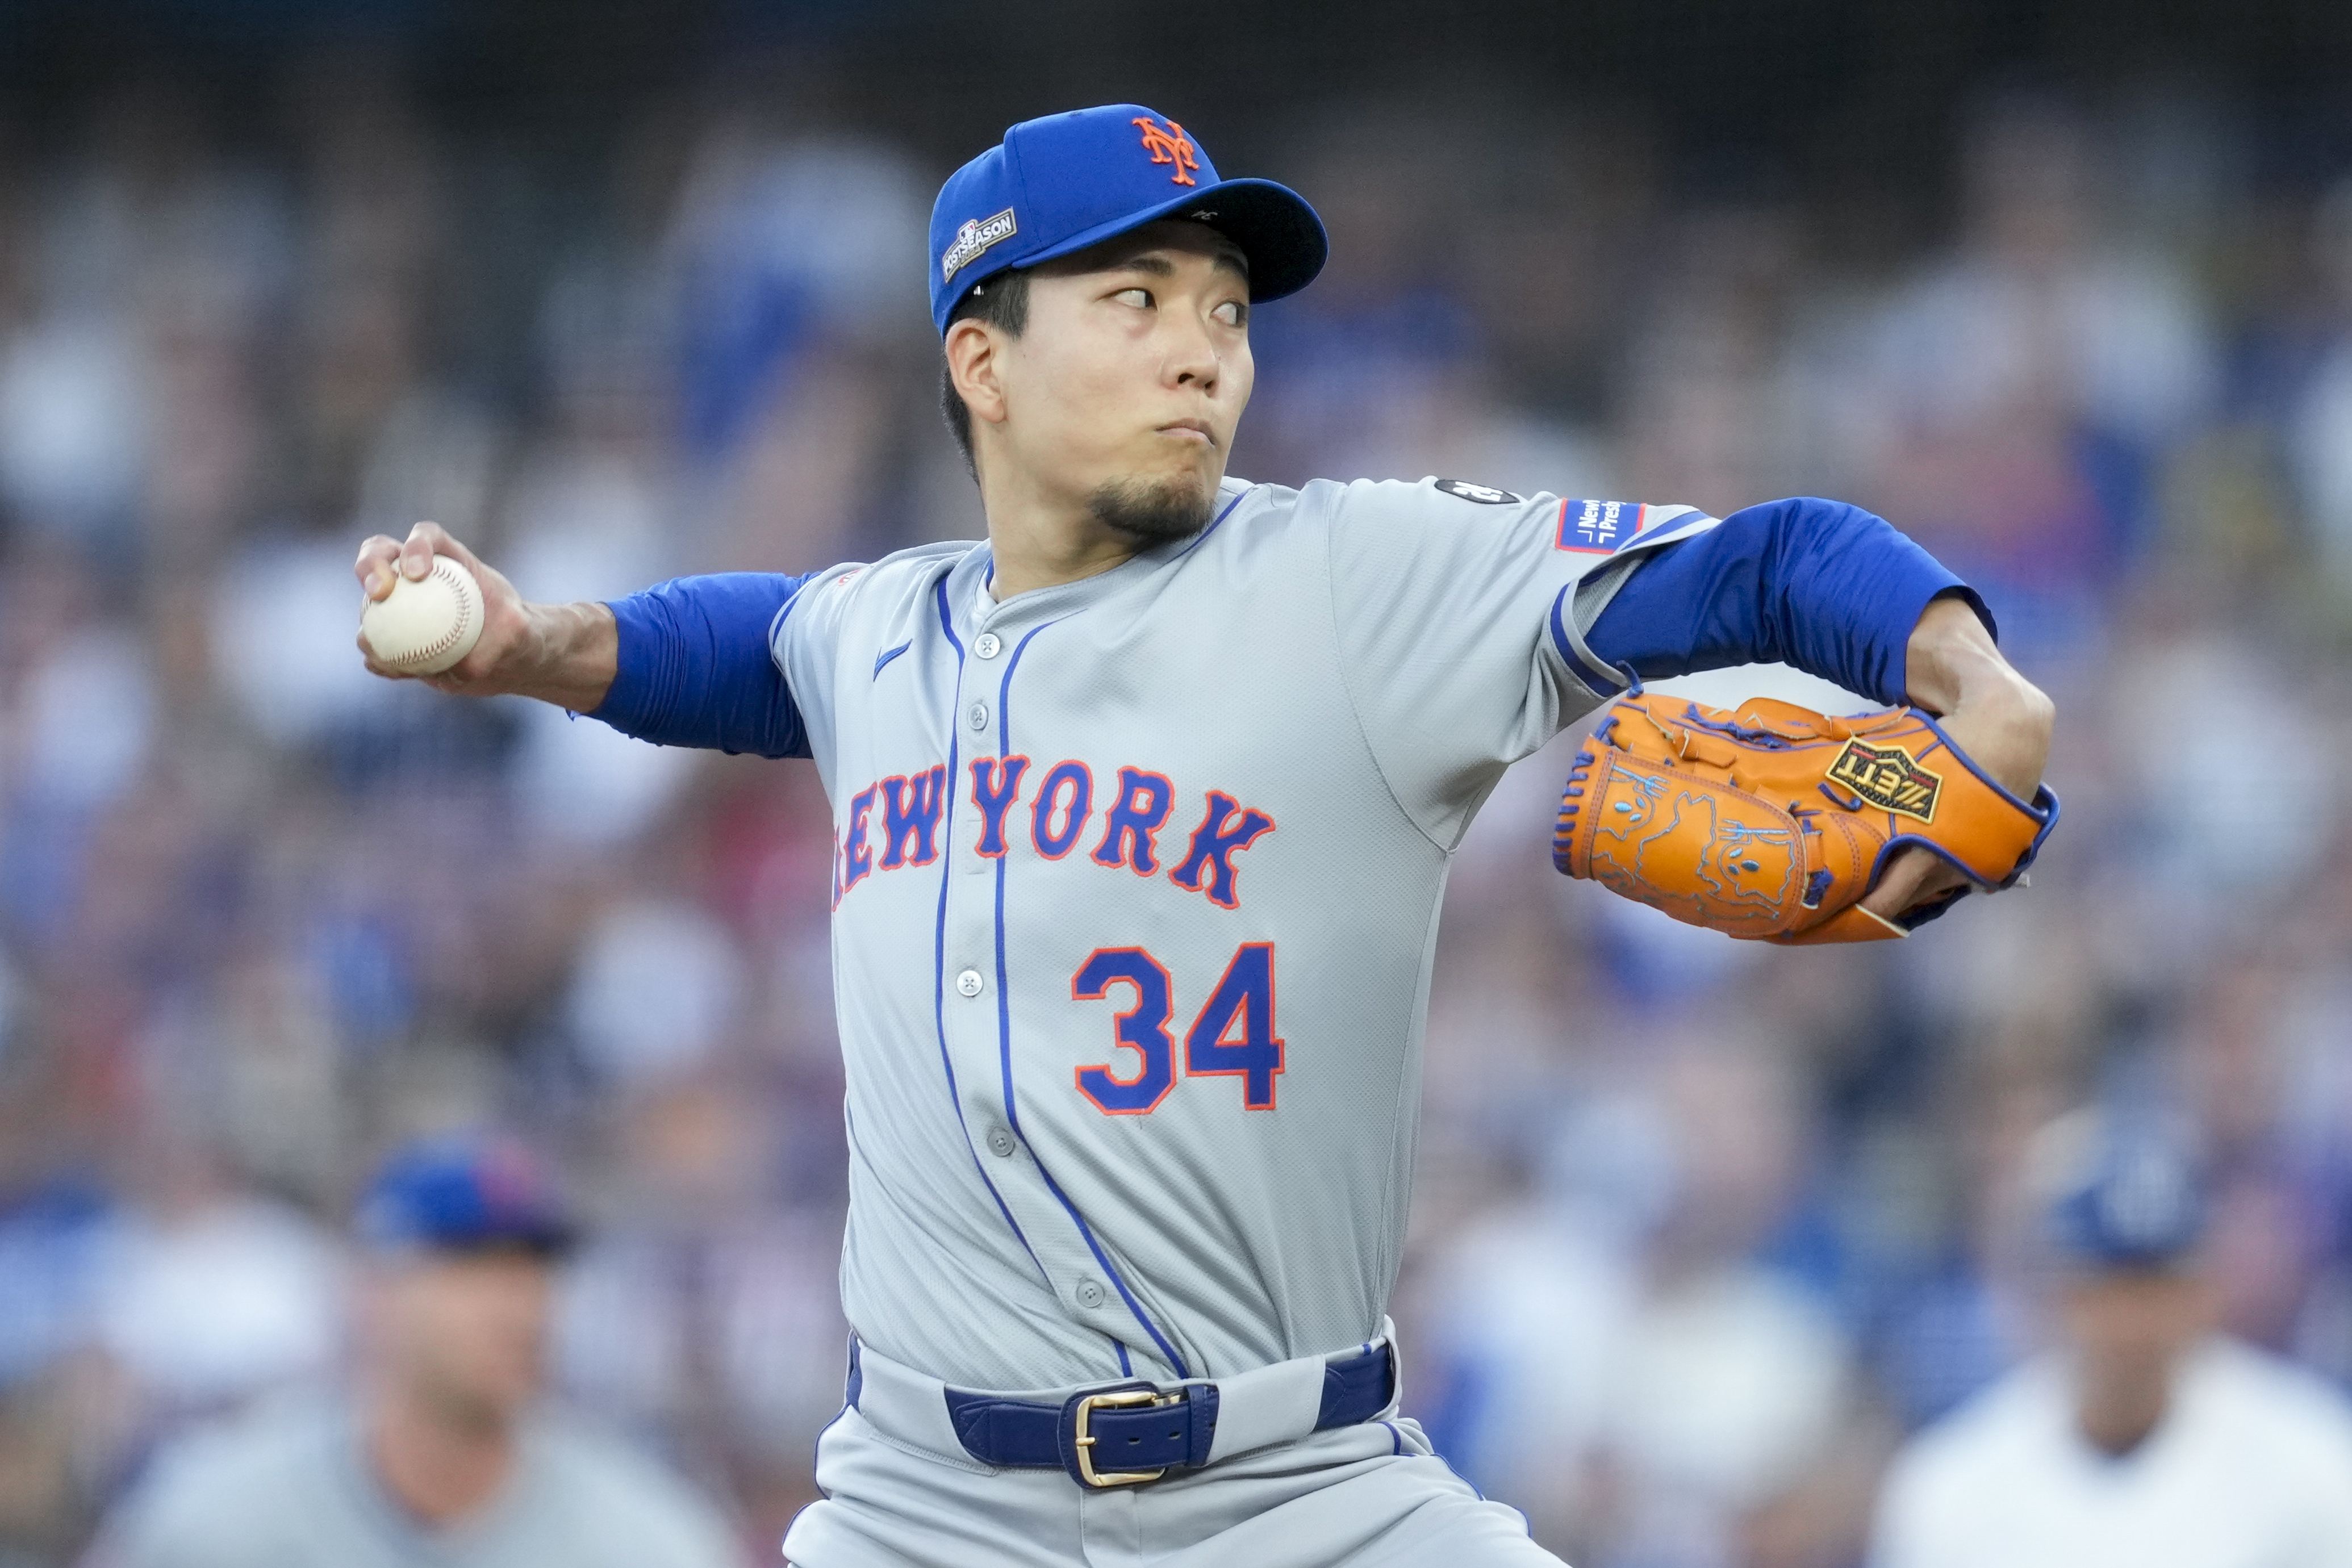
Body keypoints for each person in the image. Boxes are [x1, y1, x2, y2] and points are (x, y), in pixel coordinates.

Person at [353, 104, 2054, 1566]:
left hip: (1301, 1491)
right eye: (1135, 297)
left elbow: (1755, 563)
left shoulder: (1360, 579)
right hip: (929, 1506)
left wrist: (1961, 669)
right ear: (981, 361)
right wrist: (532, 642)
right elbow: (740, 645)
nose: (1202, 347)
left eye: (1226, 309)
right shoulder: (876, 631)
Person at [86, 1134, 745, 1568]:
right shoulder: (215, 1523)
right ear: (369, 1291)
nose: (519, 1305)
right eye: (473, 1265)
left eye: (537, 1269)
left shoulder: (648, 1540)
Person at [1870, 1113, 2352, 1568]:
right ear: (2046, 1294)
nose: (2130, 1323)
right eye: (2102, 1290)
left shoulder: (2308, 1461)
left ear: (2203, 1291)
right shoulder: (1951, 1488)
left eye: (2153, 1286)